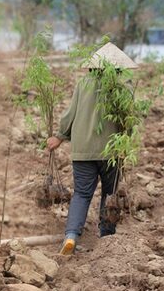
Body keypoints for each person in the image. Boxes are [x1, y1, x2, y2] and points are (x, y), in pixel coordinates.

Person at [46, 43, 138, 255]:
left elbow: (70, 114)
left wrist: (60, 136)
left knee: (82, 194)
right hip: (112, 150)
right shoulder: (125, 86)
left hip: (83, 149)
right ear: (118, 68)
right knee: (110, 192)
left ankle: (70, 236)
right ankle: (106, 237)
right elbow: (129, 119)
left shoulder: (83, 84)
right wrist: (126, 143)